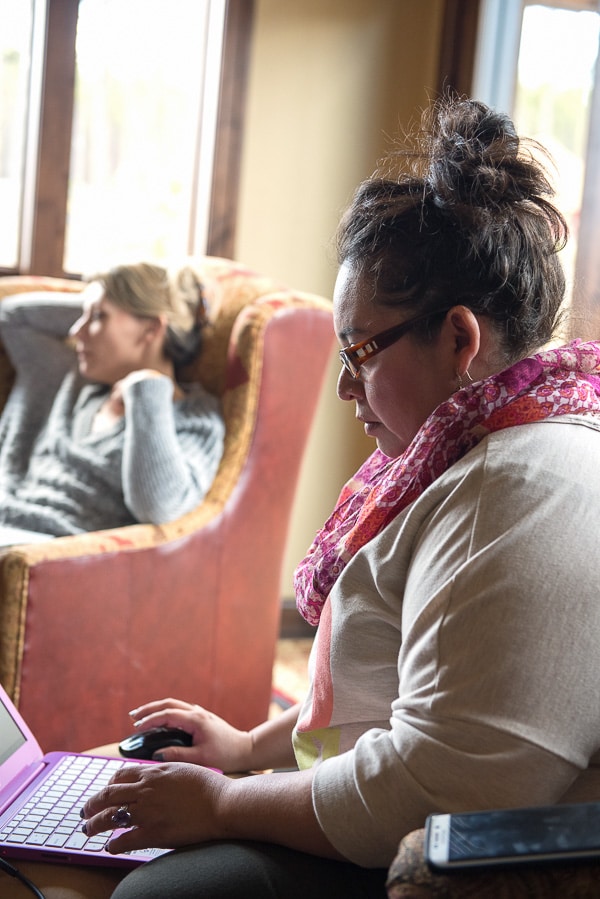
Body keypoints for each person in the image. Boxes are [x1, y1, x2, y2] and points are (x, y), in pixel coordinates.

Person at [23, 94, 600, 899]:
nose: (343, 386)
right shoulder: (468, 454)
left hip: (420, 850)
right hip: (382, 811)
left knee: (153, 894)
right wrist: (249, 746)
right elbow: (379, 698)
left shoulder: (517, 487)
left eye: (360, 350)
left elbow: (437, 788)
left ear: (461, 340)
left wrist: (225, 802)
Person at [0, 261, 224, 544]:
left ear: (151, 329)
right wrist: (99, 299)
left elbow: (160, 508)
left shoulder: (194, 420)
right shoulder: (69, 379)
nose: (75, 331)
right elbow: (13, 316)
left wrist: (147, 391)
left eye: (97, 318)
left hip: (45, 555)